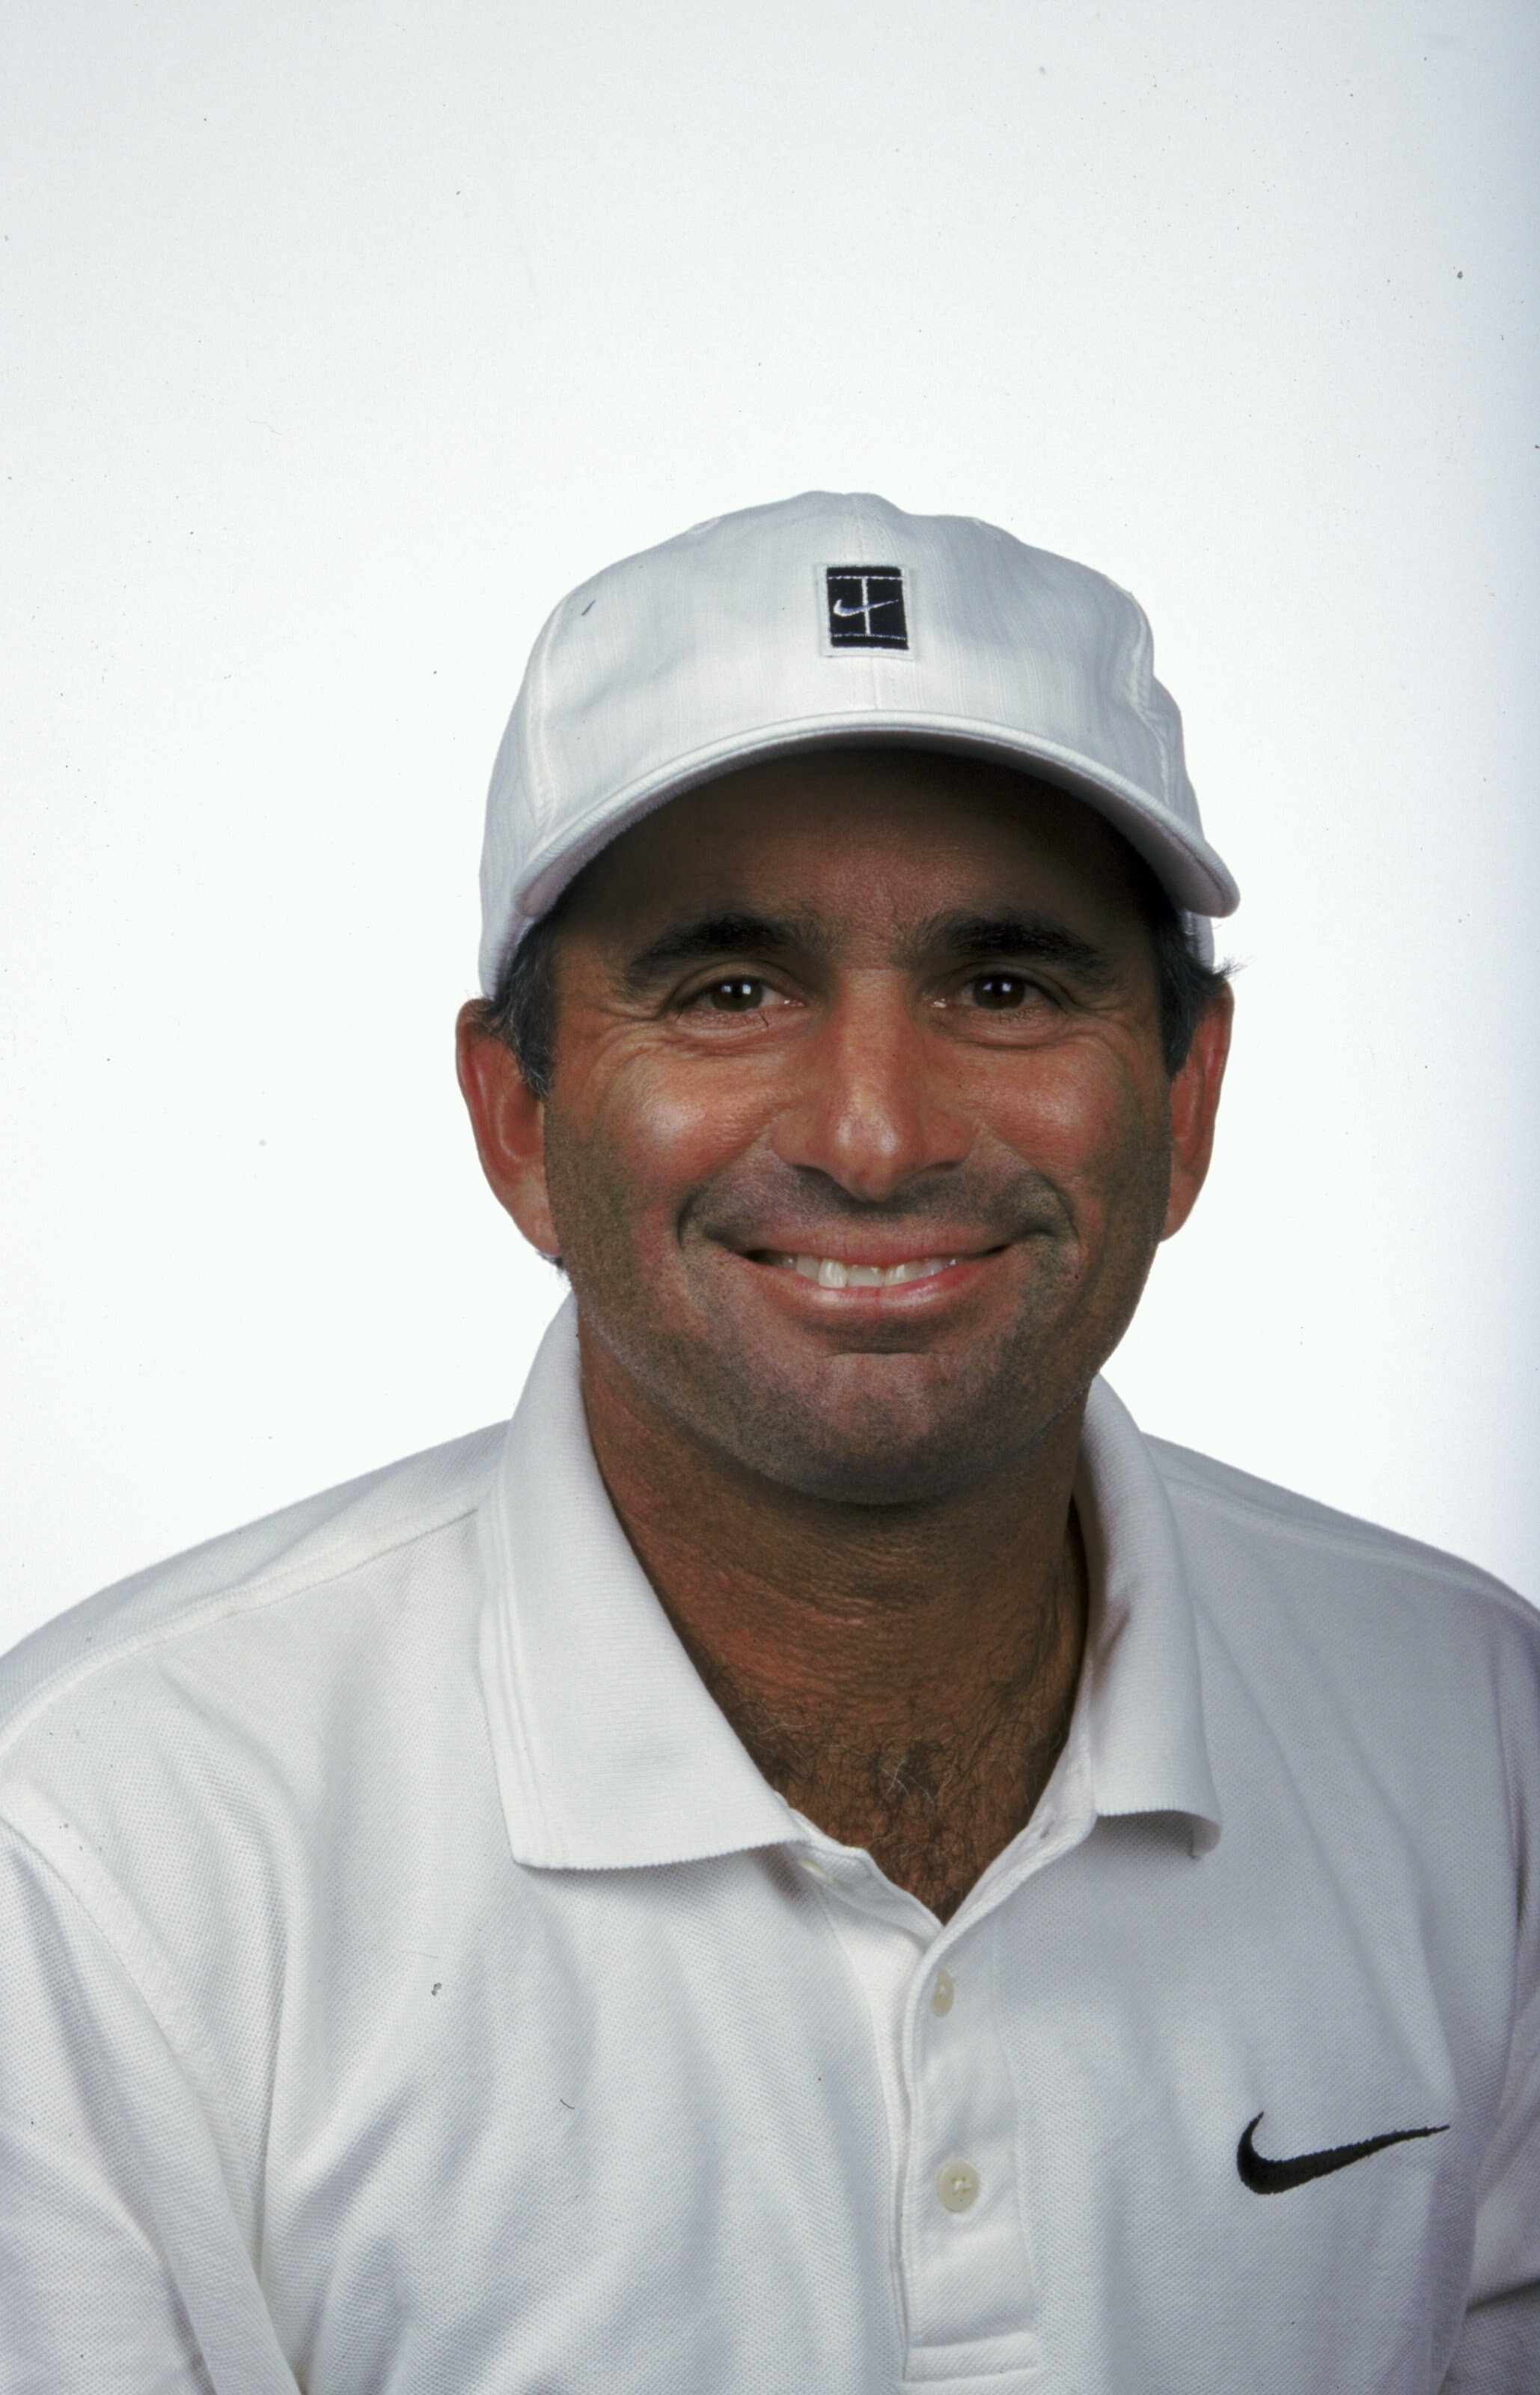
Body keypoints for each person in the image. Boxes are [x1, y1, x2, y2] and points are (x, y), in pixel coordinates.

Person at [1, 491, 1535, 2394]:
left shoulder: (1482, 1737)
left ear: (1187, 1097)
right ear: (517, 1118)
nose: (875, 1136)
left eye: (1005, 985)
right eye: (730, 991)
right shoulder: (104, 1855)